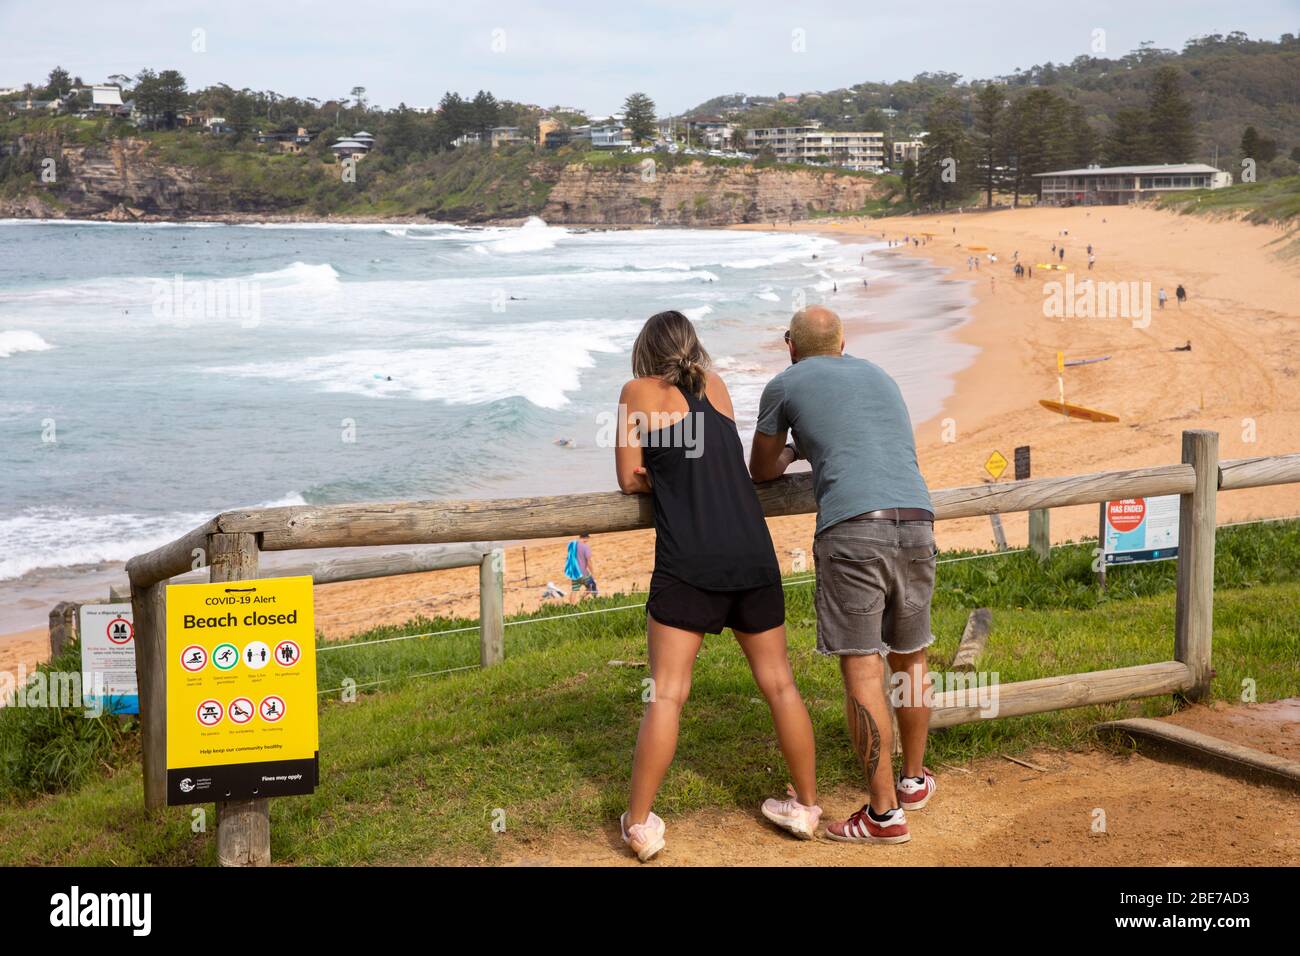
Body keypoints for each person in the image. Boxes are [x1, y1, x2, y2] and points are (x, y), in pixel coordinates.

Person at [615, 309, 820, 861]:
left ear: (646, 350)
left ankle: (640, 824)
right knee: (781, 685)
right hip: (753, 555)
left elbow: (627, 476)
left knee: (668, 692)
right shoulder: (718, 386)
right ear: (692, 346)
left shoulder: (634, 392)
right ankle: (805, 806)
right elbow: (723, 454)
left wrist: (658, 474)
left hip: (690, 561)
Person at [751, 306, 937, 846]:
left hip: (855, 530)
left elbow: (760, 469)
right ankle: (913, 781)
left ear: (789, 343)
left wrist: (794, 447)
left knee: (862, 670)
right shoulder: (880, 375)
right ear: (843, 342)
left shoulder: (784, 383)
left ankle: (882, 817)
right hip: (917, 520)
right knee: (911, 654)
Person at [564, 533, 597, 603]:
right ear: (586, 537)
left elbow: (568, 557)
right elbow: (589, 561)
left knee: (574, 590)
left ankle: (571, 607)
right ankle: (582, 599)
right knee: (592, 586)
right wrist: (592, 572)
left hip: (574, 573)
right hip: (583, 573)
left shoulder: (572, 545)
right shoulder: (586, 547)